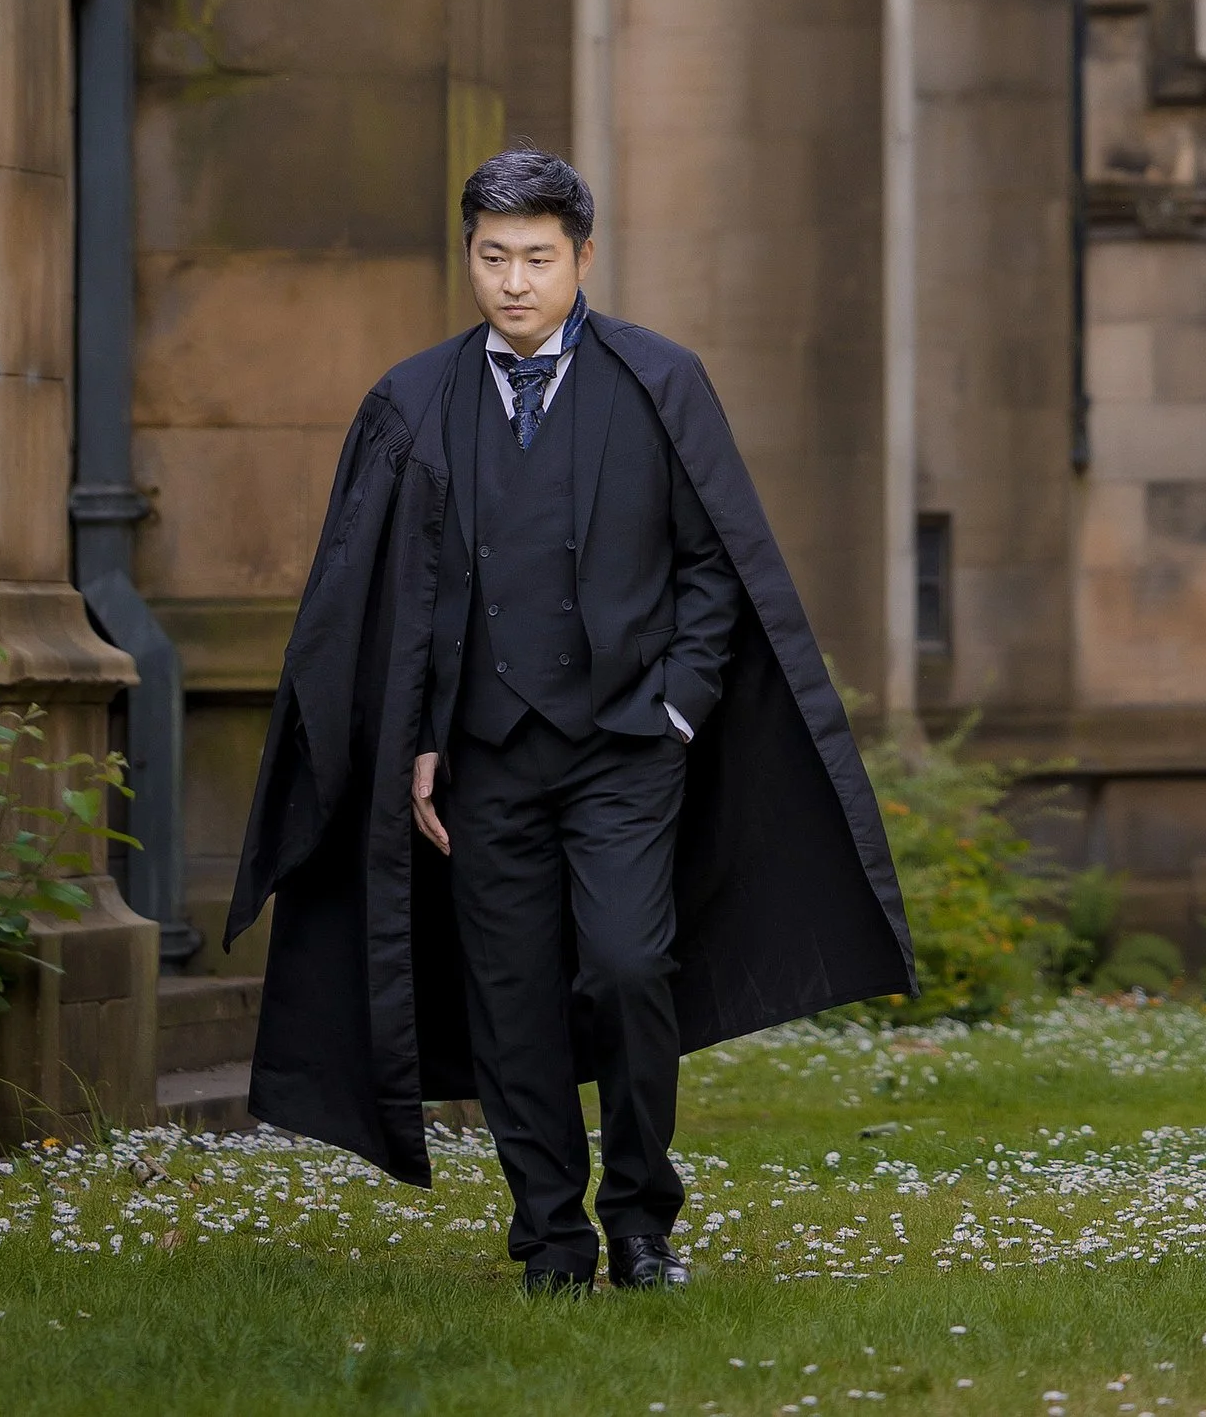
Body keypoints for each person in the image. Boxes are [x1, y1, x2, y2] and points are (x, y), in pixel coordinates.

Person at [228, 143, 914, 1292]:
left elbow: (717, 565)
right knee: (511, 1000)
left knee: (629, 967)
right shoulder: (412, 403)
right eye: (492, 257)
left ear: (583, 258)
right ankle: (551, 1235)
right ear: (468, 257)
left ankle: (640, 1218)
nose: (514, 282)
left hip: (627, 750)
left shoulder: (660, 383)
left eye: (537, 258)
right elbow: (380, 600)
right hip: (481, 762)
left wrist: (680, 709)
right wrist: (416, 738)